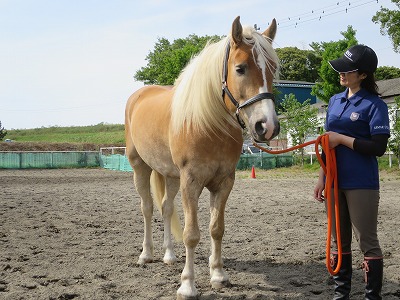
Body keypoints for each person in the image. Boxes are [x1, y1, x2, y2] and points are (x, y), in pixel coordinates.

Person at [313, 44, 390, 300]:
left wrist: (341, 139)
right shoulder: (334, 101)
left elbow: (378, 147)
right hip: (334, 181)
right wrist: (322, 178)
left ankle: (371, 296)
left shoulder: (374, 105)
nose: (342, 74)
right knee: (338, 240)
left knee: (367, 241)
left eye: (348, 70)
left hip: (361, 182)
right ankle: (341, 294)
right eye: (341, 69)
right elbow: (326, 143)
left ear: (364, 75)